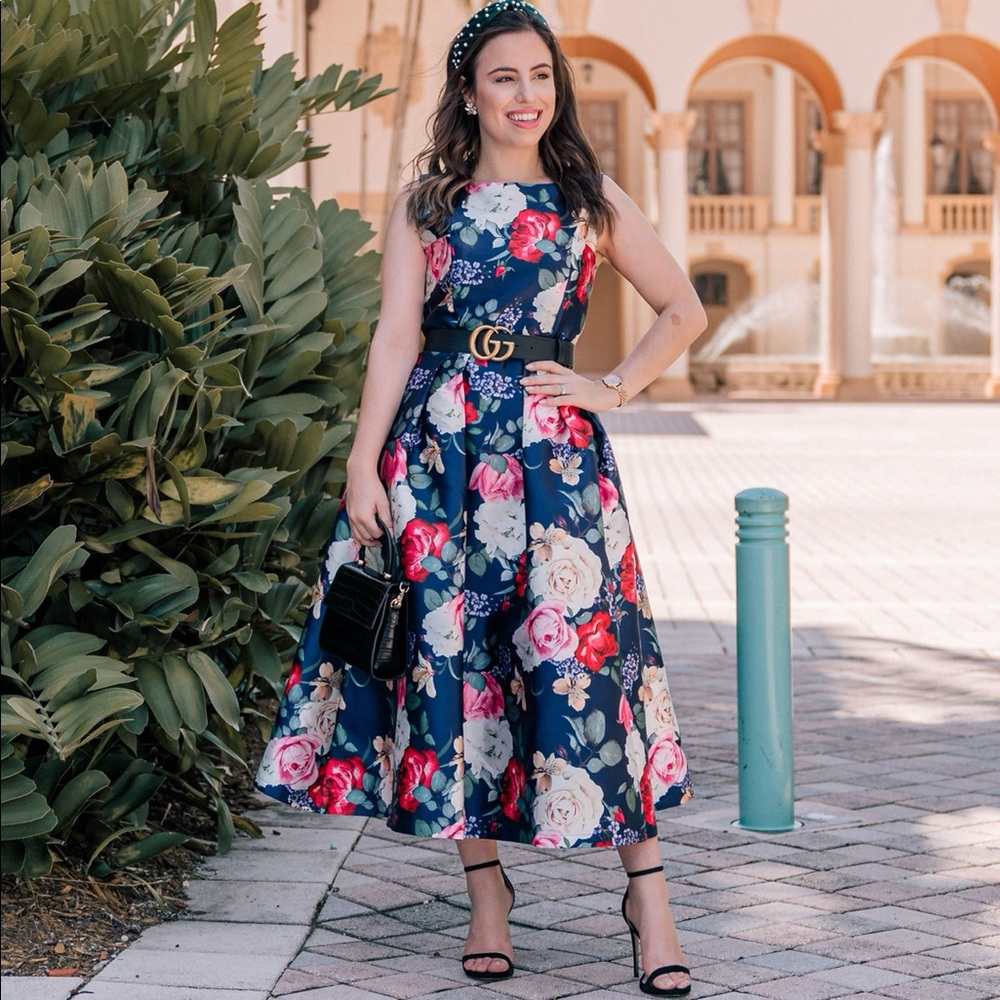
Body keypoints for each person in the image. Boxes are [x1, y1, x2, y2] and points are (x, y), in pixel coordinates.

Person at [256, 1, 707, 995]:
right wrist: (361, 461)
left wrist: (612, 387)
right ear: (468, 92)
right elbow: (394, 341)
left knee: (586, 656)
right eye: (504, 77)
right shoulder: (428, 203)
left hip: (555, 457)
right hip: (440, 452)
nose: (525, 95)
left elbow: (682, 307)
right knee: (453, 662)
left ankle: (650, 895)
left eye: (540, 76)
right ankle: (486, 892)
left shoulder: (588, 195)